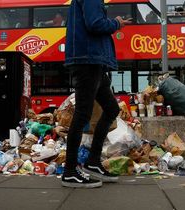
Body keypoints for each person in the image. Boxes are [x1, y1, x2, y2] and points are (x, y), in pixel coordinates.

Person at [63, 0, 131, 188]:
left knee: (111, 109)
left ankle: (92, 162)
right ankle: (69, 171)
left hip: (94, 61)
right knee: (83, 114)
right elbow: (94, 24)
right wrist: (116, 23)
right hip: (88, 59)